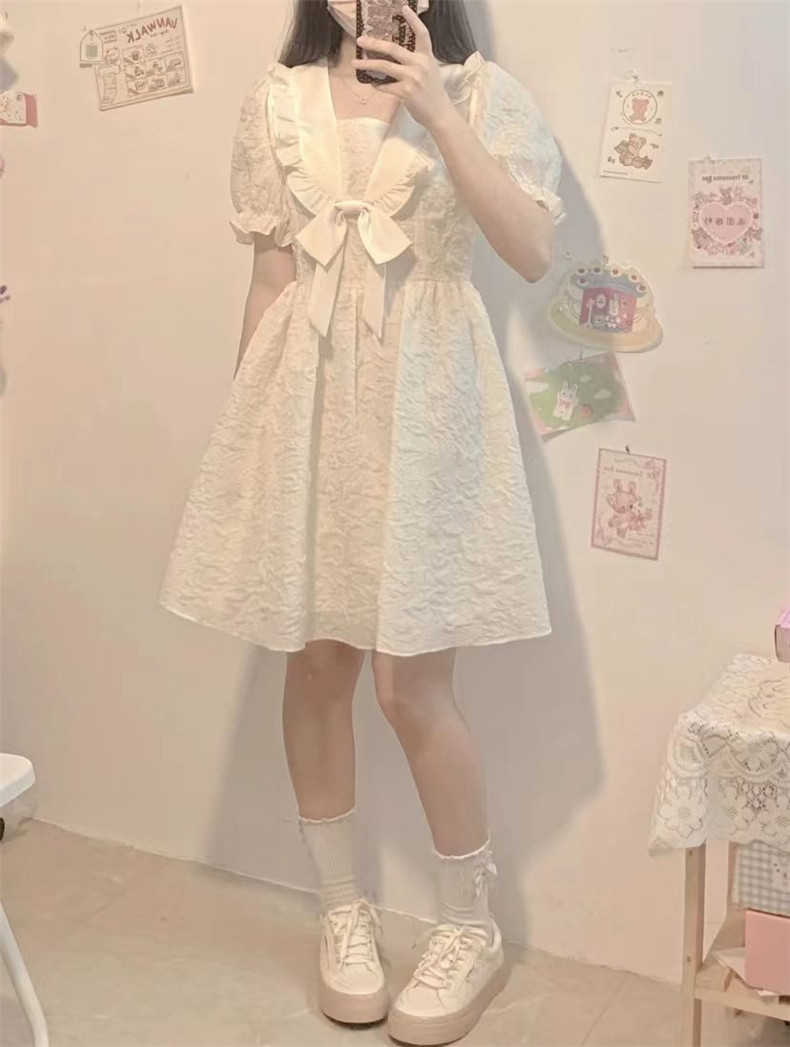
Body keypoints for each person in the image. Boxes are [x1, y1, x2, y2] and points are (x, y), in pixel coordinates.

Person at [159, 1, 564, 1042]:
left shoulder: (479, 93)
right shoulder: (276, 101)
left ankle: (469, 925)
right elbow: (271, 278)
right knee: (316, 661)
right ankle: (341, 911)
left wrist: (438, 109)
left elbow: (529, 249)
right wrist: (251, 450)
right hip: (308, 400)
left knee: (408, 684)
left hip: (426, 404)